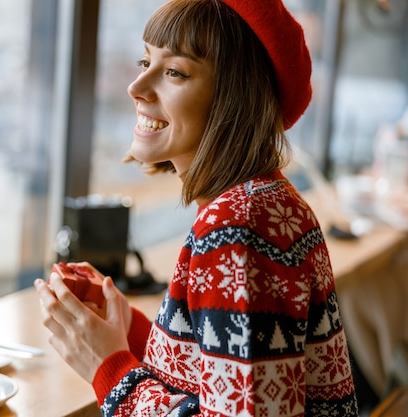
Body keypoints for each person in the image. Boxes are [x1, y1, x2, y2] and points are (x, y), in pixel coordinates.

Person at [34, 0, 359, 416]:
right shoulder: (266, 202)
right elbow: (227, 370)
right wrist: (130, 332)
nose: (136, 86)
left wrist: (108, 368)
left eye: (174, 72)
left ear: (233, 99)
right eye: (145, 61)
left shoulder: (239, 228)